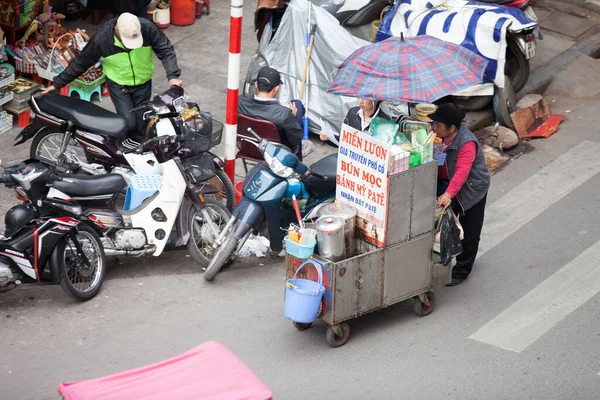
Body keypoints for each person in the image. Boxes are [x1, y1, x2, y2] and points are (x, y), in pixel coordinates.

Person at [41, 13, 182, 140]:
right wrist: (57, 84)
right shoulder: (102, 38)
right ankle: (121, 150)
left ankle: (136, 151)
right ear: (117, 30)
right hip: (119, 85)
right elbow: (81, 62)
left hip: (143, 82)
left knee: (141, 122)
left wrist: (173, 76)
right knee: (128, 122)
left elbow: (166, 49)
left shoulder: (147, 28)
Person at [430, 103, 490, 287]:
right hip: (446, 184)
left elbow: (461, 173)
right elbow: (440, 163)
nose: (433, 127)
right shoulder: (438, 138)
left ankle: (462, 269)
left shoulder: (467, 143)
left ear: (452, 128)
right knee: (443, 223)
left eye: (438, 125)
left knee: (470, 230)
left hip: (471, 189)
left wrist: (448, 194)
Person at [238, 66, 304, 160]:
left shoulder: (239, 102)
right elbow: (296, 140)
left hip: (248, 147)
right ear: (276, 88)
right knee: (297, 105)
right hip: (276, 154)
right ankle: (298, 166)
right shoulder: (284, 114)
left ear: (256, 84)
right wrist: (292, 119)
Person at [319, 98, 390, 146]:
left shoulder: (385, 121)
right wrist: (328, 138)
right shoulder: (352, 112)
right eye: (359, 97)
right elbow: (343, 141)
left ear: (376, 99)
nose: (360, 101)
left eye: (365, 98)